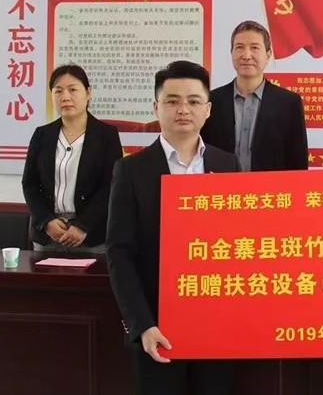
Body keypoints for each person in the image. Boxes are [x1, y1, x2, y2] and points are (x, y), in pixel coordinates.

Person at [107, 61, 240, 395]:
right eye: (172, 101)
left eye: (194, 101)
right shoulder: (130, 170)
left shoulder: (227, 164)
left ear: (208, 110)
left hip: (216, 326)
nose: (183, 109)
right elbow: (119, 254)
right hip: (157, 328)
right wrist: (143, 325)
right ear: (156, 107)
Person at [22, 64, 122, 252]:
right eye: (58, 91)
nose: (65, 97)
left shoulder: (107, 136)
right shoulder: (42, 135)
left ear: (88, 93)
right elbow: (30, 184)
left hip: (90, 236)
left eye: (73, 90)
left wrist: (83, 225)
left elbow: (110, 186)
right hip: (49, 234)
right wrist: (47, 221)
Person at [201, 20, 308, 171]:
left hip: (270, 186)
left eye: (254, 48)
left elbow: (298, 163)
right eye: (239, 47)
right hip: (220, 185)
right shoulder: (211, 101)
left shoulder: (289, 103)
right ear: (231, 53)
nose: (246, 55)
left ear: (268, 55)